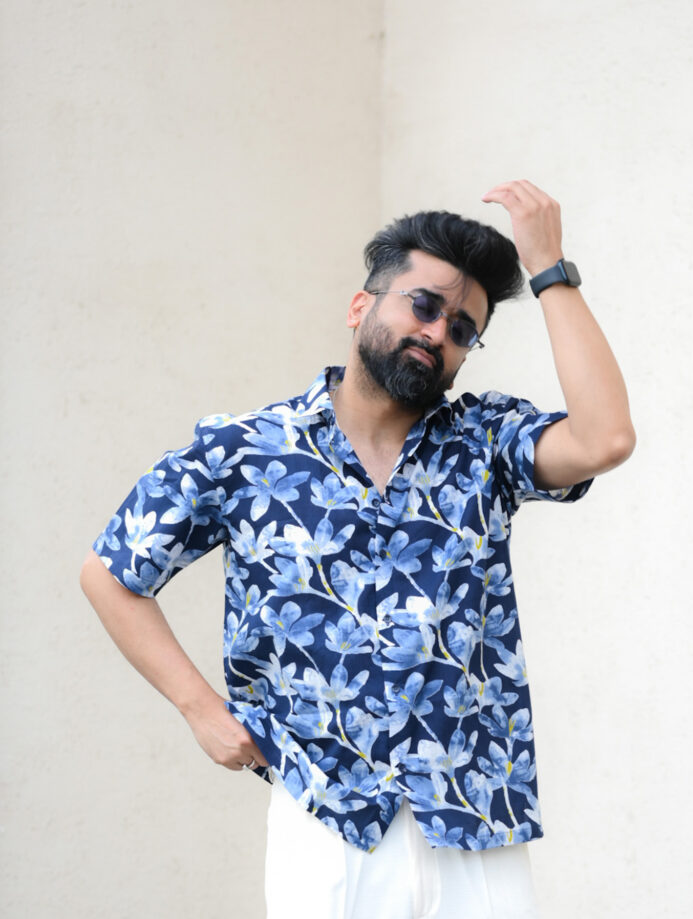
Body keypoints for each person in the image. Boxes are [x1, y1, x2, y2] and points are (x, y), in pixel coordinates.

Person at [80, 179, 635, 918]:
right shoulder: (244, 451)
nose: (438, 333)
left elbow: (605, 438)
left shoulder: (486, 443)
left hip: (474, 814)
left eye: (463, 328)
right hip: (326, 816)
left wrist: (549, 270)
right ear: (359, 306)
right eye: (424, 304)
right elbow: (111, 573)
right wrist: (199, 708)